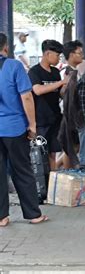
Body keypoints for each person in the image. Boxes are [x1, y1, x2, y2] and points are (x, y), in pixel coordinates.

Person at [0, 32, 48, 227]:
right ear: (5, 47)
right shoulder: (14, 66)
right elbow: (26, 97)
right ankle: (32, 214)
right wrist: (32, 125)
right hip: (14, 128)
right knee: (22, 170)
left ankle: (2, 217)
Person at [28, 40, 67, 171]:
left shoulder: (56, 72)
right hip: (41, 120)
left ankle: (52, 181)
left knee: (53, 152)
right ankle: (41, 183)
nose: (58, 58)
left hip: (55, 118)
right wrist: (61, 82)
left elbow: (59, 93)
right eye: (57, 55)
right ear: (47, 53)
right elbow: (38, 90)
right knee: (40, 153)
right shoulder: (34, 72)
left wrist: (66, 86)